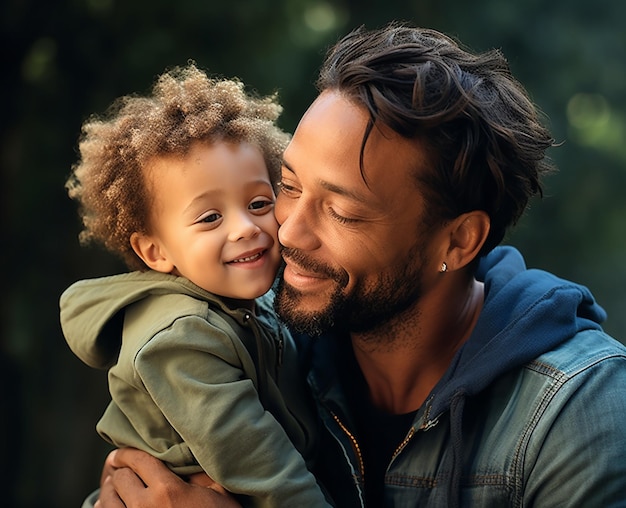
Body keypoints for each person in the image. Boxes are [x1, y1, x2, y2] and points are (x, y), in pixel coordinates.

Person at [95, 23, 626, 508]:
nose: (287, 231)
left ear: (459, 241)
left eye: (343, 213)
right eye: (287, 187)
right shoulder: (261, 343)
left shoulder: (577, 413)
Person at [59, 64, 332, 507]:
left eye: (259, 203)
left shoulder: (253, 302)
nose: (246, 228)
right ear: (154, 252)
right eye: (209, 217)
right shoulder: (179, 337)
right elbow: (260, 462)